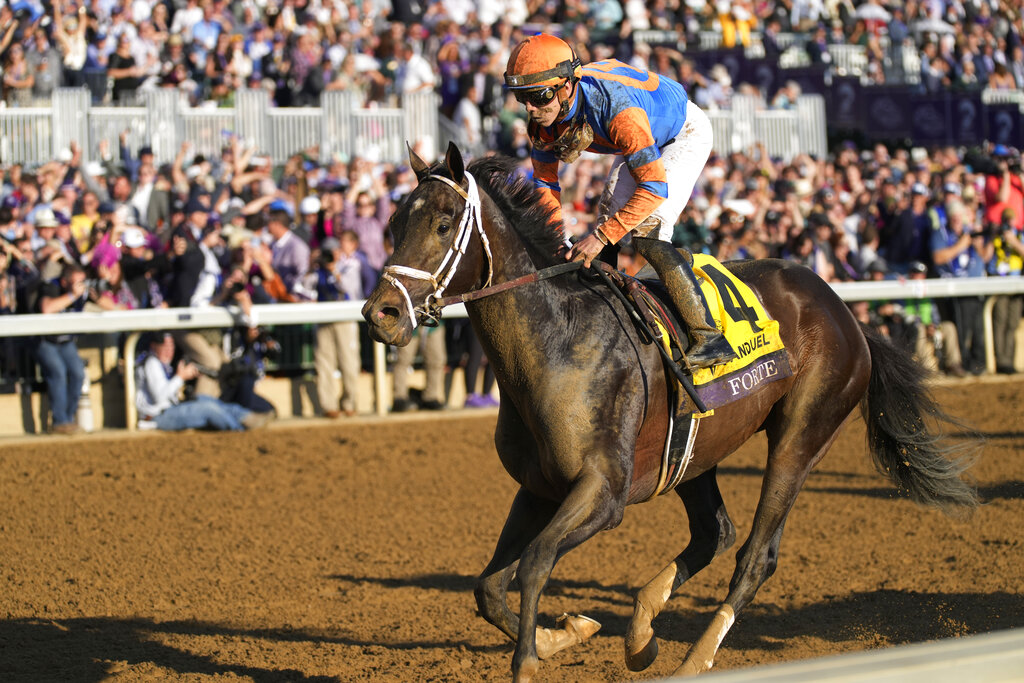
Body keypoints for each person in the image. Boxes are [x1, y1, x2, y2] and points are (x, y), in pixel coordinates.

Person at [504, 33, 736, 370]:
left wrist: (598, 239)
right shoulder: (543, 118)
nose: (530, 109)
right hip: (639, 132)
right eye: (522, 98)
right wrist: (554, 237)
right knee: (607, 219)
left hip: (681, 132)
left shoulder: (617, 111)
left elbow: (654, 188)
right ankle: (604, 321)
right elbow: (545, 183)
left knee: (646, 229)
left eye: (538, 97)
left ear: (567, 86)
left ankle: (709, 336)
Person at [135, 332, 272, 431]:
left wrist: (185, 378)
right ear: (153, 347)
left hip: (170, 409)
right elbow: (160, 397)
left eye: (171, 347)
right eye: (164, 347)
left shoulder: (162, 364)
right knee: (207, 409)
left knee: (207, 400)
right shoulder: (152, 363)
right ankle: (239, 429)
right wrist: (180, 377)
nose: (169, 351)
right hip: (156, 417)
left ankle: (247, 417)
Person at [36, 262, 88, 434]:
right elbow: (47, 308)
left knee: (78, 372)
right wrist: (73, 295)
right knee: (57, 371)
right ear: (65, 282)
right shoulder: (51, 286)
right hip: (45, 341)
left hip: (66, 342)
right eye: (76, 282)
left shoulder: (83, 290)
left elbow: (103, 301)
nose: (81, 286)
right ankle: (59, 422)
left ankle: (68, 418)